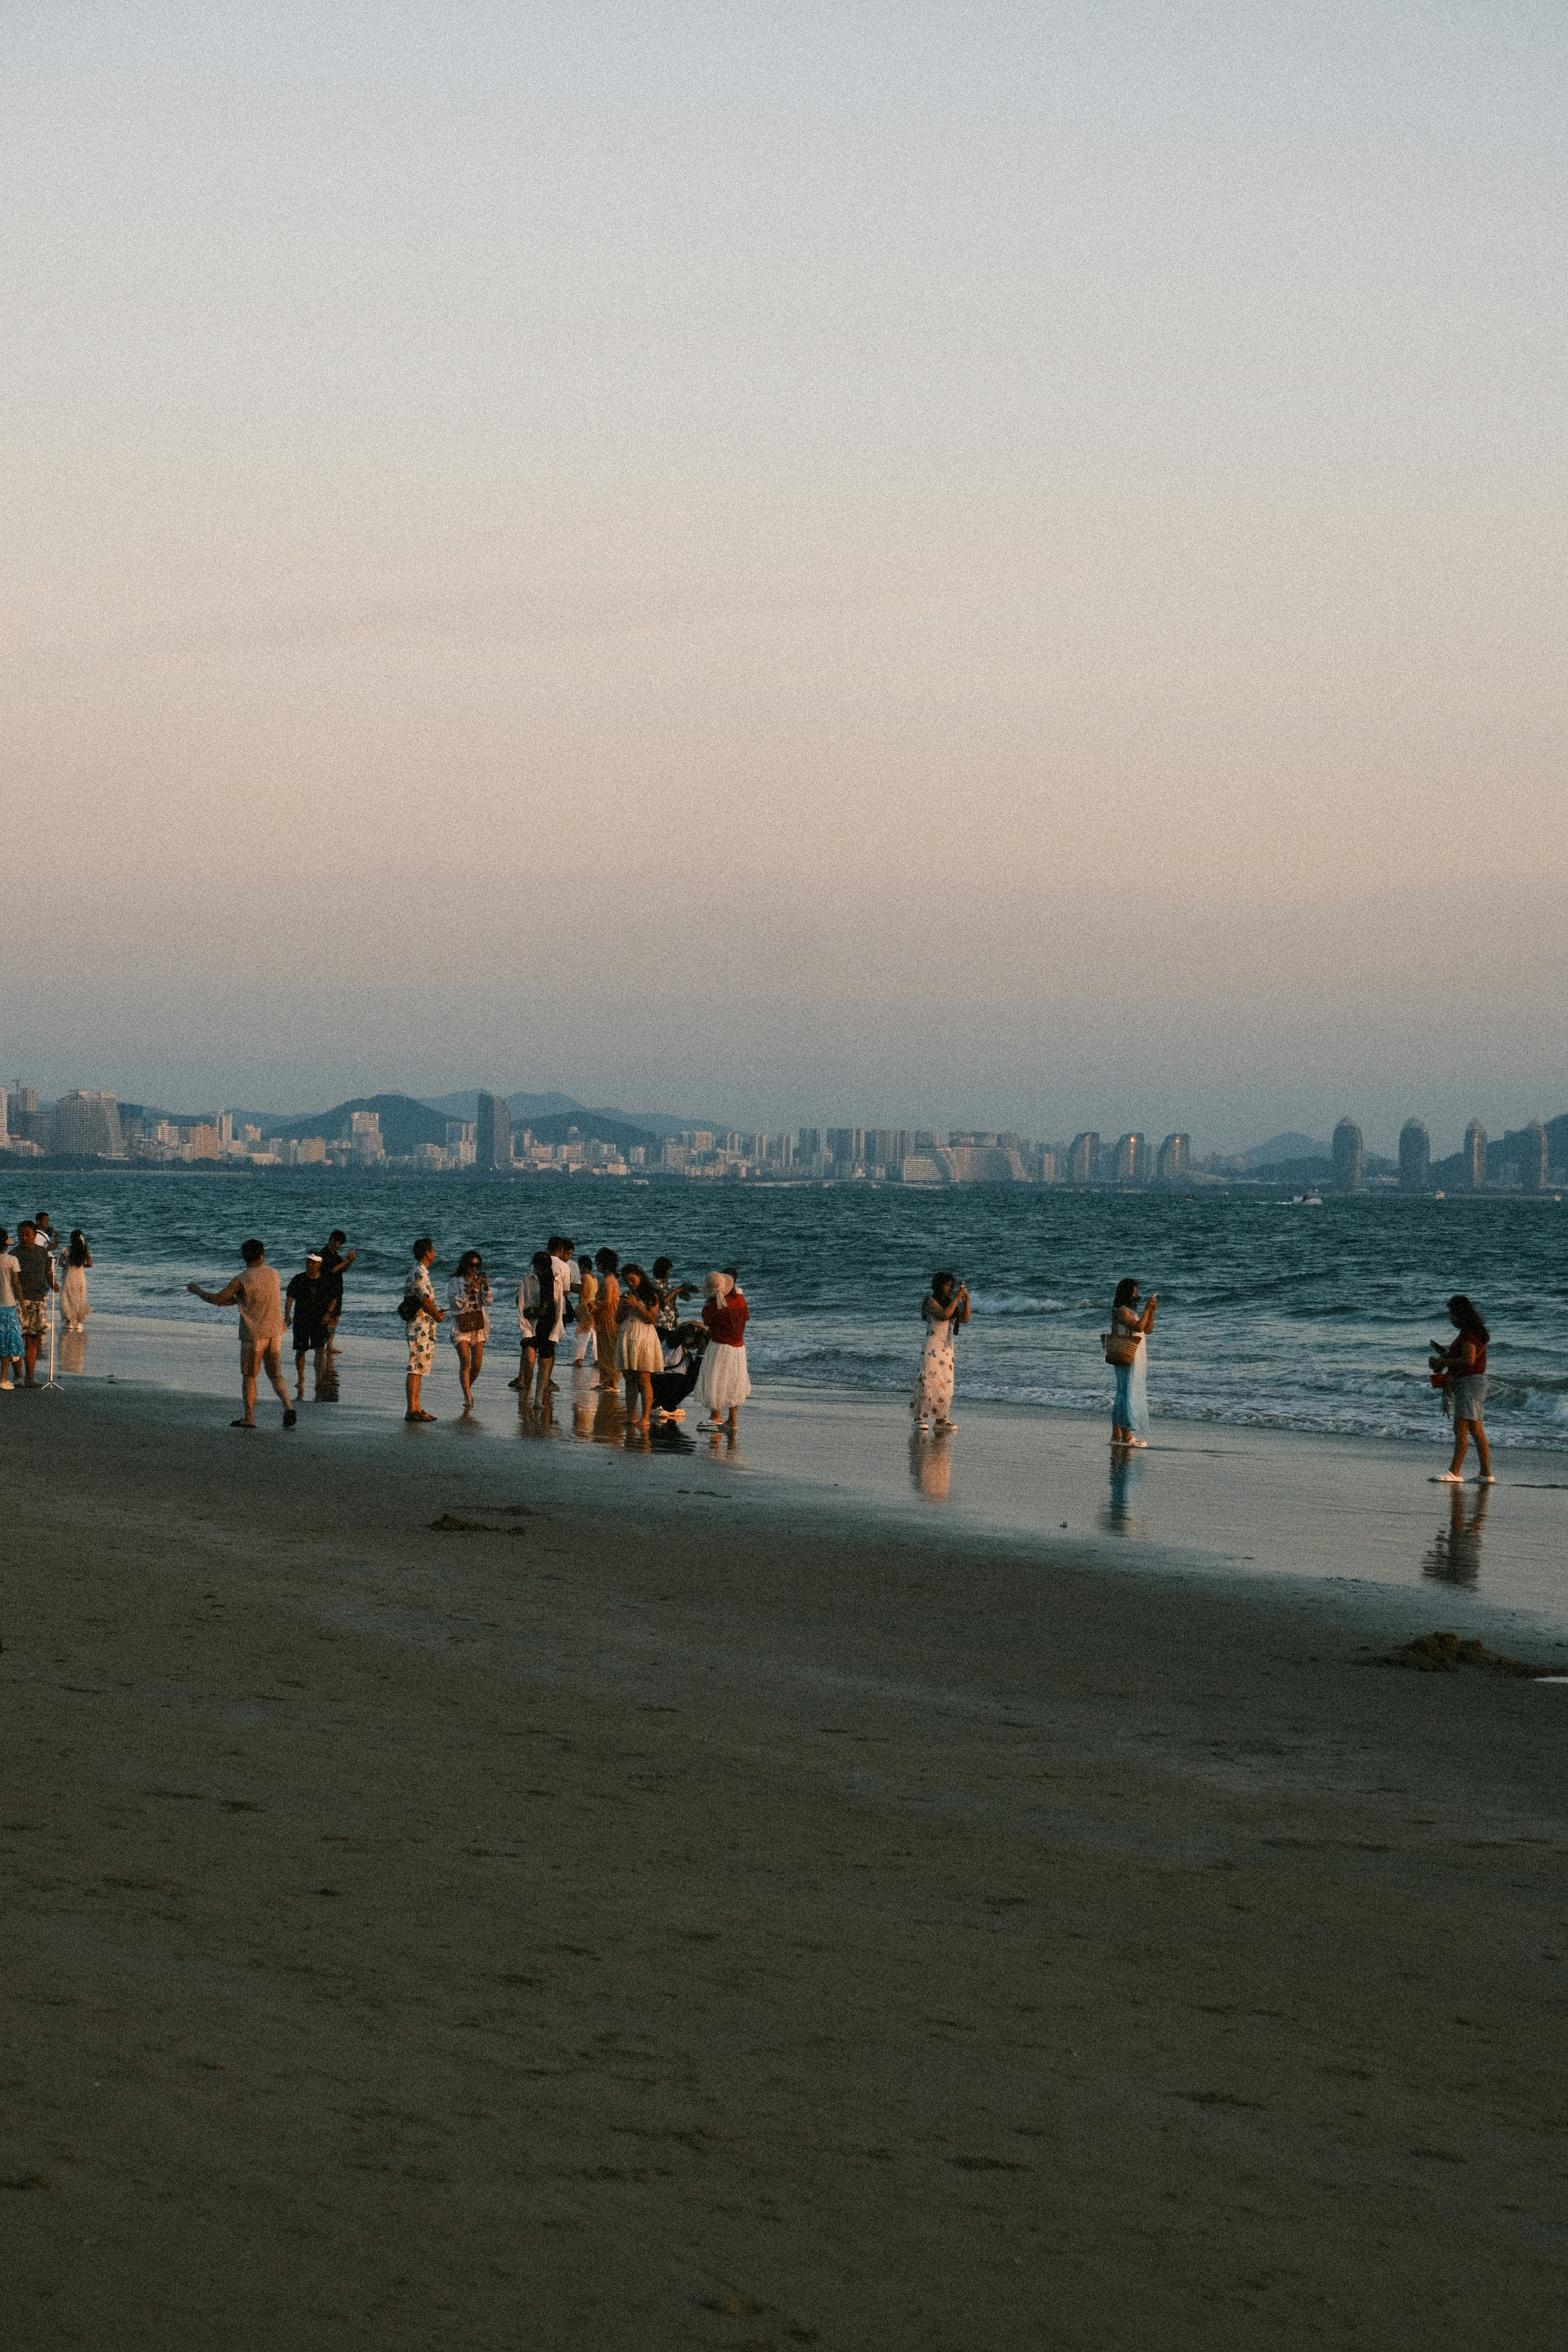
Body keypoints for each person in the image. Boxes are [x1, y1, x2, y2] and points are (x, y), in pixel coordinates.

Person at [188, 1238, 295, 1429]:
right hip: (276, 1330)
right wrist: (239, 1300)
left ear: (245, 1257)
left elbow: (219, 1299)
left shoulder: (242, 1279)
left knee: (249, 1376)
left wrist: (198, 1291)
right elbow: (256, 1298)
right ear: (262, 1256)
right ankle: (288, 1406)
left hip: (254, 1334)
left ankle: (250, 1418)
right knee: (275, 1374)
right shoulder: (274, 1274)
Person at [1430, 1295, 1493, 1485]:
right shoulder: (1472, 1333)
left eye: (1452, 1313)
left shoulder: (1468, 1335)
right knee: (1476, 1429)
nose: (1450, 1317)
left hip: (1469, 1383)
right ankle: (1485, 1474)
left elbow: (1469, 1360)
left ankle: (1455, 1472)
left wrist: (1443, 1362)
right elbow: (1465, 1359)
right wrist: (1443, 1356)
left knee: (1461, 1428)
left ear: (1461, 1314)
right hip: (1475, 1383)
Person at [912, 1270, 969, 1433]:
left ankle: (941, 1417)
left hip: (947, 1349)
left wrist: (966, 1301)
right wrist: (957, 1299)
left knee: (945, 1382)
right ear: (939, 1285)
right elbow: (944, 1315)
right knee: (927, 1379)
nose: (949, 1288)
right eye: (947, 1285)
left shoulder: (950, 1302)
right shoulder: (930, 1301)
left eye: (951, 1286)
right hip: (933, 1346)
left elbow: (965, 1319)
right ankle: (919, 1416)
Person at [697, 1270, 751, 1436]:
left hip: (719, 1346)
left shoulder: (713, 1308)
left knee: (716, 1379)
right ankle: (732, 1420)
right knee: (734, 1382)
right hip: (738, 1348)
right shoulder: (740, 1300)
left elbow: (707, 1321)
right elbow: (746, 1317)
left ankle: (716, 1416)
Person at [1109, 1277, 1157, 1446]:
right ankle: (1126, 1436)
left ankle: (1118, 1435)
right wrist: (1146, 1310)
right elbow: (1137, 1328)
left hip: (1136, 1355)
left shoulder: (1130, 1311)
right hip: (1126, 1354)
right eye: (1133, 1292)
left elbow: (1148, 1329)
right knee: (1125, 1393)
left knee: (1125, 1392)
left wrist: (1151, 1312)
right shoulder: (1120, 1311)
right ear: (1126, 1293)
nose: (1136, 1295)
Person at [615, 1263, 663, 1429]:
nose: (630, 1283)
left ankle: (646, 1417)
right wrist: (623, 1306)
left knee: (644, 1379)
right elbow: (618, 1319)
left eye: (632, 1279)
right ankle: (631, 1416)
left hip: (644, 1337)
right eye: (627, 1281)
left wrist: (637, 1305)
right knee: (629, 1379)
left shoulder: (652, 1296)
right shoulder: (628, 1295)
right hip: (627, 1335)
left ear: (640, 1277)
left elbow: (651, 1319)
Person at [403, 1237, 444, 1421]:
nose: (434, 1254)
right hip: (419, 1326)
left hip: (422, 1324)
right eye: (433, 1250)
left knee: (419, 1366)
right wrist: (438, 1316)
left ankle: (416, 1407)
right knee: (416, 1366)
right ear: (428, 1252)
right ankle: (412, 1408)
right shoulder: (420, 1273)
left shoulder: (419, 1272)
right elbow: (426, 1301)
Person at [12, 1220, 57, 1388]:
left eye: (28, 1234)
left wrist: (54, 1284)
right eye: (21, 1234)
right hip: (20, 1300)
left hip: (38, 1299)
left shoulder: (41, 1253)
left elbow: (48, 1272)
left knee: (33, 1339)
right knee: (18, 1338)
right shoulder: (14, 1253)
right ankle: (18, 1376)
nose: (24, 1238)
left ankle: (30, 1376)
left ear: (35, 1235)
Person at [448, 1249, 492, 1409]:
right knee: (465, 1362)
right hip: (462, 1325)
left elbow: (488, 1302)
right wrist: (469, 1290)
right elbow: (455, 1304)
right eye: (472, 1266)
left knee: (477, 1365)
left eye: (477, 1266)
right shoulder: (455, 1282)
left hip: (478, 1324)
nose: (474, 1269)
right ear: (465, 1265)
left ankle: (467, 1388)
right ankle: (468, 1397)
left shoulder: (479, 1281)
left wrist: (485, 1287)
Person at [284, 1251, 331, 1399]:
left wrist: (328, 1314)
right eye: (308, 1262)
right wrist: (287, 1315)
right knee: (301, 1350)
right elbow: (290, 1297)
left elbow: (334, 1298)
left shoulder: (325, 1281)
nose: (309, 1265)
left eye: (312, 1262)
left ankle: (318, 1379)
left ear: (319, 1264)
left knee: (319, 1350)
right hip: (301, 1319)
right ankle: (301, 1379)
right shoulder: (299, 1279)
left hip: (319, 1321)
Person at [514, 1247, 557, 1404]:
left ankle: (538, 1398)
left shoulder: (554, 1280)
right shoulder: (527, 1279)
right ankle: (528, 1390)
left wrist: (557, 1329)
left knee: (544, 1363)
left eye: (542, 1267)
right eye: (537, 1267)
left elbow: (557, 1305)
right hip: (530, 1325)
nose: (539, 1270)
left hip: (547, 1325)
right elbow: (521, 1304)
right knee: (531, 1360)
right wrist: (525, 1330)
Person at [317, 1230, 357, 1353]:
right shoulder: (324, 1253)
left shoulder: (335, 1255)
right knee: (327, 1317)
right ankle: (322, 1345)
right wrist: (346, 1259)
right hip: (327, 1290)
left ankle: (330, 1345)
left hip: (337, 1289)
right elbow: (333, 1270)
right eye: (338, 1243)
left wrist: (351, 1261)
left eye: (341, 1244)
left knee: (336, 1318)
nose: (339, 1246)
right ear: (332, 1240)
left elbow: (344, 1269)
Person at [592, 1248, 620, 1387]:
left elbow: (608, 1302)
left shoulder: (608, 1281)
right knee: (608, 1349)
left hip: (608, 1319)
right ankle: (610, 1381)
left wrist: (593, 1304)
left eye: (599, 1263)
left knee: (607, 1350)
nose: (597, 1266)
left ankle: (612, 1382)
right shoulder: (612, 1279)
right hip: (610, 1318)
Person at [0, 1227, 23, 1390]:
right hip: (8, 1304)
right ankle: (4, 1378)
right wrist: (22, 1301)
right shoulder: (12, 1260)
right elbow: (16, 1283)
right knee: (7, 1344)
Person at [59, 1231, 93, 1332]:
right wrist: (84, 1266)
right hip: (80, 1277)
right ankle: (79, 1323)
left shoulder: (66, 1250)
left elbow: (60, 1263)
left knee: (68, 1298)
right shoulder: (84, 1251)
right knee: (80, 1299)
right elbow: (90, 1264)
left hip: (69, 1276)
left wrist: (68, 1267)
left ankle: (69, 1322)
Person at [572, 1253, 599, 1369]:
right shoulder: (594, 1278)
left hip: (586, 1307)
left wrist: (579, 1309)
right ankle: (597, 1360)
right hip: (593, 1308)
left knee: (581, 1334)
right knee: (594, 1336)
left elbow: (583, 1294)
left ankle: (579, 1360)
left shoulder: (584, 1278)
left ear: (583, 1266)